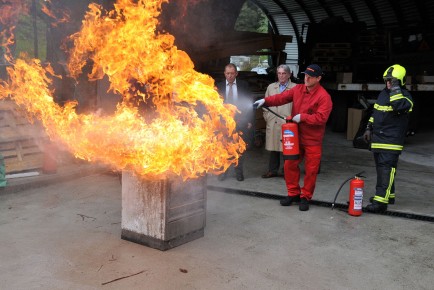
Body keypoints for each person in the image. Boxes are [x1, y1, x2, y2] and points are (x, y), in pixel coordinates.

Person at [253, 64, 332, 211]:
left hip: (312, 140)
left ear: (319, 78)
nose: (306, 78)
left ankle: (306, 196)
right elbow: (281, 98)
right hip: (296, 137)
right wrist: (265, 101)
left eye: (311, 76)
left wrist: (303, 117)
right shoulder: (298, 89)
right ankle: (293, 193)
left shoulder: (324, 97)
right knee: (289, 165)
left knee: (311, 170)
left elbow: (321, 118)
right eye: (305, 75)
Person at [363, 64, 413, 213]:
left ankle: (380, 202)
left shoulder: (405, 96)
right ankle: (388, 196)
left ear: (400, 81)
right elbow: (376, 113)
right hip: (379, 138)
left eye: (392, 81)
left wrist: (395, 89)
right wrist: (368, 128)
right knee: (382, 168)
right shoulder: (383, 94)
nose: (388, 83)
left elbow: (399, 106)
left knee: (386, 169)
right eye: (387, 80)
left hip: (391, 141)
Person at [216, 63, 254, 181]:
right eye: (228, 73)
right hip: (224, 123)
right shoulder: (219, 86)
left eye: (232, 73)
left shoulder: (244, 85)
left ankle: (239, 172)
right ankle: (224, 171)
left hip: (240, 121)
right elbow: (215, 106)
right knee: (224, 147)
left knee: (239, 148)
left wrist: (250, 120)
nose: (230, 76)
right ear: (224, 74)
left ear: (236, 73)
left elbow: (250, 103)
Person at [261, 64, 296, 178]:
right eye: (279, 73)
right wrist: (267, 117)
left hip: (287, 123)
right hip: (273, 121)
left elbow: (298, 106)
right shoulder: (271, 87)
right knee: (274, 148)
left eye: (284, 73)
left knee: (287, 148)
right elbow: (265, 104)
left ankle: (287, 171)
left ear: (289, 75)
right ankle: (272, 170)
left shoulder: (295, 88)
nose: (281, 76)